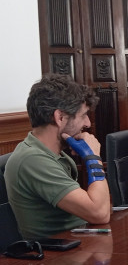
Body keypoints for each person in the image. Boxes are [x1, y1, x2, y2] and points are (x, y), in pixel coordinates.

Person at [5, 74, 111, 239]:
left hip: (81, 242)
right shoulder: (33, 160)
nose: (88, 124)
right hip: (57, 258)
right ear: (60, 117)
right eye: (83, 115)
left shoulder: (56, 155)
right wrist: (93, 158)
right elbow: (99, 213)